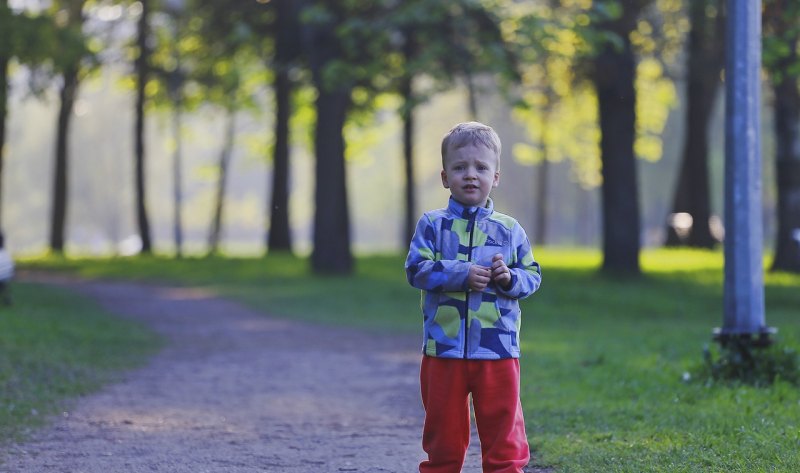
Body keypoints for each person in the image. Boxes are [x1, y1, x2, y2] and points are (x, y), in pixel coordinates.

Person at [405, 122, 542, 473]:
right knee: (443, 436)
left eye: (481, 167)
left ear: (495, 177)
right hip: (444, 349)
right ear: (444, 176)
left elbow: (532, 275)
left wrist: (509, 278)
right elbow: (416, 269)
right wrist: (460, 274)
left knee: (503, 433)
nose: (470, 175)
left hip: (497, 349)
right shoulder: (432, 225)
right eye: (460, 167)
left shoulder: (509, 230)